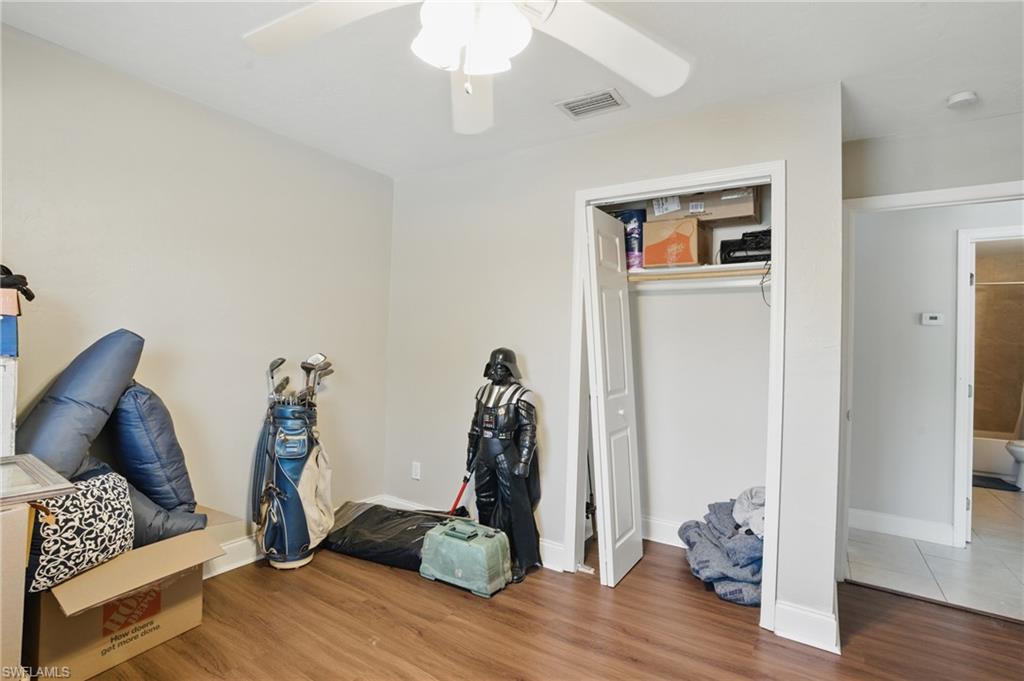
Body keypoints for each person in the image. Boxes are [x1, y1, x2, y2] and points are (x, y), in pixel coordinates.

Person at [466, 348, 541, 582]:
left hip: (506, 451)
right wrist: (470, 454)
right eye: (493, 367)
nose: (496, 371)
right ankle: (489, 552)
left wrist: (523, 460)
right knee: (484, 501)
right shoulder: (482, 392)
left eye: (501, 367)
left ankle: (520, 558)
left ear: (510, 369)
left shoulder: (522, 395)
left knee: (514, 506)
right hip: (484, 452)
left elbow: (529, 430)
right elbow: (475, 427)